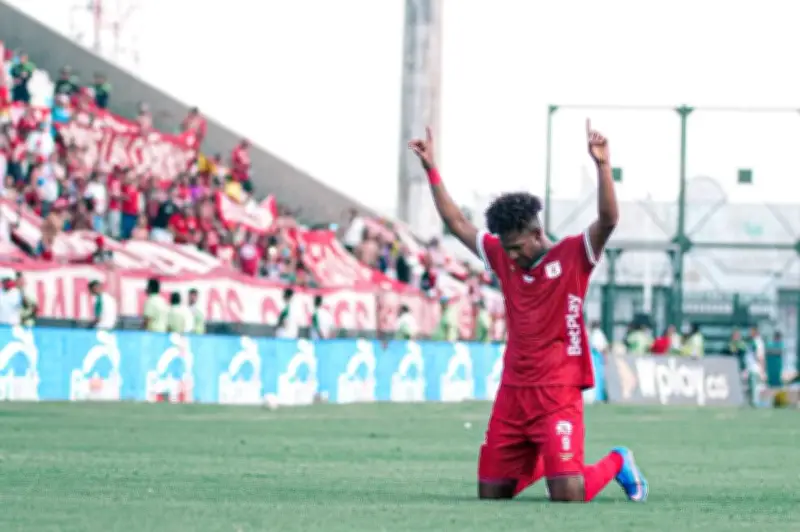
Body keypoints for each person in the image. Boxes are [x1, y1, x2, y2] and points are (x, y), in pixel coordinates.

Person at [408, 122, 647, 503]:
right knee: (491, 495)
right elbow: (457, 223)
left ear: (537, 234)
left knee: (568, 494)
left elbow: (608, 221)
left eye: (517, 247)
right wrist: (431, 169)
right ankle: (550, 460)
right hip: (514, 392)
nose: (512, 255)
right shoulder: (504, 257)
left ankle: (618, 461)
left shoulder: (573, 255)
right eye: (507, 248)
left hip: (558, 391)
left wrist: (603, 166)